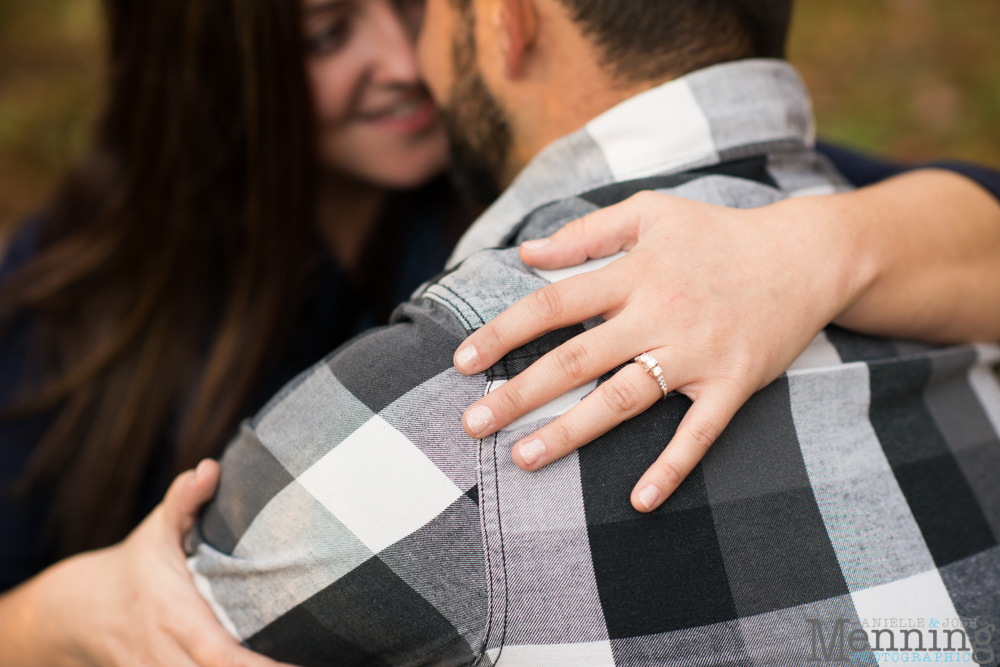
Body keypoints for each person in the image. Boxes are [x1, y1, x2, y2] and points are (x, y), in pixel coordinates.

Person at [2, 0, 1000, 666]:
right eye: (325, 34)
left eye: (413, 4)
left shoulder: (619, 217)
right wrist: (58, 617)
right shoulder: (65, 306)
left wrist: (820, 248)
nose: (404, 64)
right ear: (209, 59)